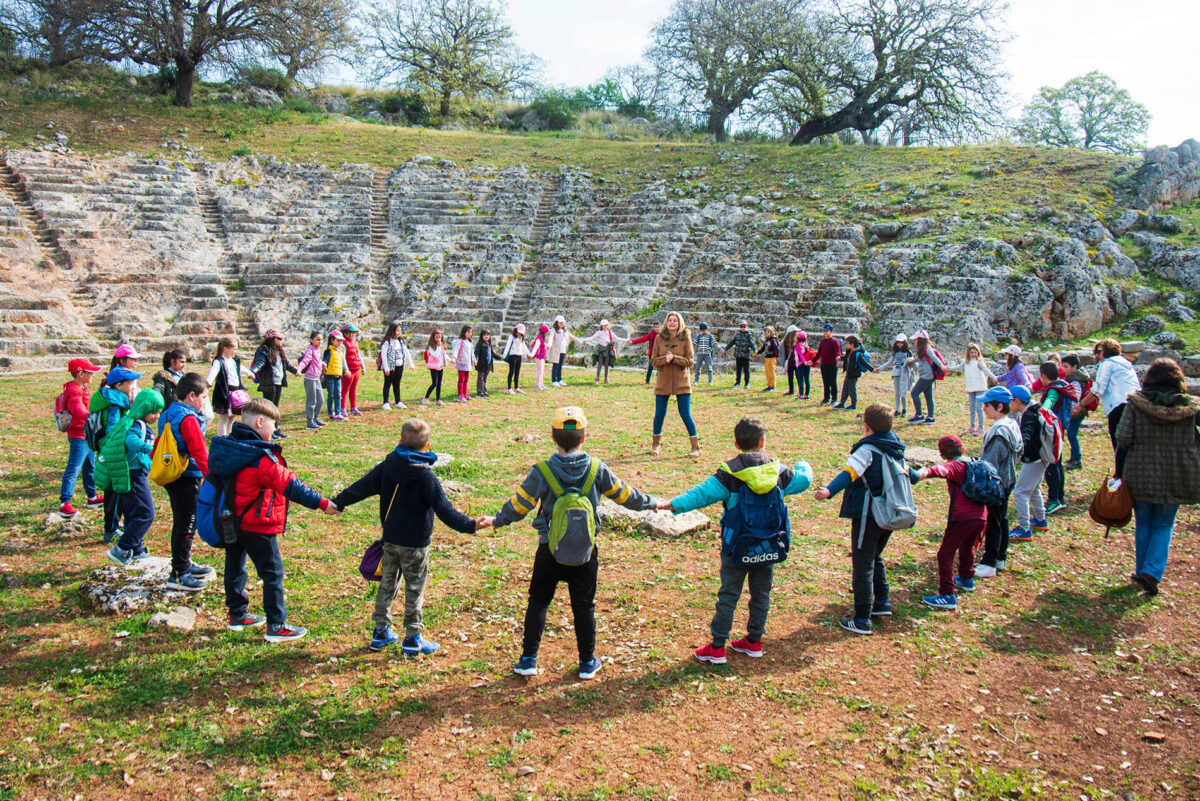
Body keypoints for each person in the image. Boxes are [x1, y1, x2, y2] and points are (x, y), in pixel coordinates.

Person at [490, 406, 661, 680]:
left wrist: (498, 520)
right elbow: (625, 495)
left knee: (539, 601)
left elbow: (520, 503)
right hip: (585, 551)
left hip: (549, 549)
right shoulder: (597, 468)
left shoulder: (542, 471)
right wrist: (652, 503)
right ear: (584, 438)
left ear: (552, 437)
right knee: (584, 606)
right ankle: (586, 662)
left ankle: (528, 659)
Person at [660, 416, 812, 663]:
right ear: (763, 442)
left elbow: (701, 495)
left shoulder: (729, 474)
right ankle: (753, 642)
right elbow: (804, 480)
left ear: (736, 444)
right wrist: (803, 463)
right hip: (769, 544)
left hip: (736, 546)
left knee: (729, 594)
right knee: (761, 593)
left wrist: (672, 504)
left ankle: (718, 646)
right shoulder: (779, 472)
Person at [333, 418, 490, 653]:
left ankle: (380, 632)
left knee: (387, 585)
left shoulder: (388, 466)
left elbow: (362, 486)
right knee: (414, 588)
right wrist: (470, 525)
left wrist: (339, 501)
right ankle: (413, 637)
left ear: (399, 441)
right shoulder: (426, 477)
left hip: (390, 540)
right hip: (415, 545)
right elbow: (444, 509)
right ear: (428, 447)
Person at [209, 398, 340, 642]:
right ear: (260, 422)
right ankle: (276, 625)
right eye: (274, 424)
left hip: (231, 520)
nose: (275, 430)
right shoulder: (260, 458)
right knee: (272, 573)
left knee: (235, 566)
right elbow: (291, 486)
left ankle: (237, 615)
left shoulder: (228, 447)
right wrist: (323, 503)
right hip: (257, 524)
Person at [814, 404, 908, 635]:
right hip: (889, 512)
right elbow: (909, 474)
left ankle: (862, 618)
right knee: (875, 556)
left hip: (869, 513)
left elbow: (850, 473)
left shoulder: (867, 450)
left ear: (866, 426)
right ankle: (882, 602)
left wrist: (828, 491)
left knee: (862, 563)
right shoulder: (895, 447)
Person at [1114, 358, 1200, 596]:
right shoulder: (1191, 407)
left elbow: (1123, 438)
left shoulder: (1135, 403)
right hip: (1179, 471)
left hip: (1141, 471)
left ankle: (1142, 570)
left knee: (1144, 522)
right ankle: (1152, 572)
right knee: (1164, 523)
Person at [914, 435, 988, 611]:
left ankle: (947, 594)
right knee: (967, 547)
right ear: (963, 450)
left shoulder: (952, 466)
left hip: (962, 517)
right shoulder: (974, 463)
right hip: (982, 515)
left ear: (941, 455)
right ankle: (966, 578)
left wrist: (916, 474)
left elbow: (935, 471)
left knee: (945, 554)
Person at [158, 372, 214, 592]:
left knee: (182, 520)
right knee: (187, 523)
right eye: (204, 397)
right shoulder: (189, 419)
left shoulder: (169, 411)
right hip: (186, 476)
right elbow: (200, 452)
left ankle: (184, 562)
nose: (204, 402)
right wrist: (212, 478)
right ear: (192, 396)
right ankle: (179, 573)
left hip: (172, 473)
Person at [100, 388, 165, 565]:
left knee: (132, 514)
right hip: (133, 475)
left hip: (132, 474)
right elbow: (130, 441)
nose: (156, 416)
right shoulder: (137, 425)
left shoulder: (138, 424)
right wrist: (148, 448)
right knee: (146, 513)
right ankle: (122, 548)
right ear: (143, 409)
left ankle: (136, 550)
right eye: (153, 412)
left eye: (159, 412)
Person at [974, 387, 1022, 578]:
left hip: (996, 484)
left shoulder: (998, 433)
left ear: (999, 406)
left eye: (987, 405)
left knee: (993, 522)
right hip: (1008, 479)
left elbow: (990, 464)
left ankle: (989, 562)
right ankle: (1001, 556)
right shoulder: (1011, 424)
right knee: (1002, 519)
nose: (984, 408)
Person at [89, 365, 140, 542]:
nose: (134, 385)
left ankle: (114, 526)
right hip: (114, 453)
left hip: (110, 451)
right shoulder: (115, 404)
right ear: (119, 385)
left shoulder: (114, 398)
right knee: (115, 492)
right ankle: (111, 528)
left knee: (115, 491)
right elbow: (113, 429)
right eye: (131, 382)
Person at [57, 358, 104, 518]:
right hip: (79, 435)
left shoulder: (82, 388)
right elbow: (78, 410)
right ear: (80, 373)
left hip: (86, 434)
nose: (93, 375)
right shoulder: (74, 390)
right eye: (90, 372)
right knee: (74, 468)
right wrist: (93, 416)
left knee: (88, 467)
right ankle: (65, 502)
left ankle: (92, 497)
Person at [649, 311, 699, 458]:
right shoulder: (659, 338)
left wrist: (675, 358)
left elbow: (690, 361)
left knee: (685, 413)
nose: (672, 322)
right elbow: (653, 360)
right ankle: (655, 444)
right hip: (663, 381)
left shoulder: (686, 338)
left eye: (675, 321)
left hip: (681, 381)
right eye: (669, 320)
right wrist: (665, 359)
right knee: (659, 414)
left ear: (679, 323)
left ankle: (695, 446)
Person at [1075, 339, 1140, 450]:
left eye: (1098, 352)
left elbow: (1098, 389)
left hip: (1118, 405)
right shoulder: (1126, 363)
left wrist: (1081, 404)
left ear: (1104, 352)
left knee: (1120, 445)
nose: (1096, 355)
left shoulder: (1107, 364)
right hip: (1136, 404)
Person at [1008, 386, 1049, 543]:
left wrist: (1017, 450)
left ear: (1017, 401)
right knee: (1034, 489)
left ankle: (1024, 528)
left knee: (1020, 492)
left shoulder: (1028, 415)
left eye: (1010, 401)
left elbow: (1026, 436)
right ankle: (1040, 519)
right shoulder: (1036, 408)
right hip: (1043, 456)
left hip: (1034, 458)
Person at [1038, 361, 1077, 516]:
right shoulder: (1062, 384)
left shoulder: (1053, 390)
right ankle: (1059, 498)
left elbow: (1046, 407)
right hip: (1060, 428)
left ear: (1043, 375)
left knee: (1051, 466)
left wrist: (1038, 411)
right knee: (1057, 463)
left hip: (1051, 430)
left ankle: (1054, 499)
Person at [250, 330, 298, 440]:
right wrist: (253, 371)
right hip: (269, 382)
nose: (281, 341)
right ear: (272, 339)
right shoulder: (265, 350)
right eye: (279, 339)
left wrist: (296, 371)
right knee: (268, 409)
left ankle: (275, 429)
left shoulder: (279, 351)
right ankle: (268, 430)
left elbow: (287, 363)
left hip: (278, 383)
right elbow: (260, 362)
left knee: (275, 408)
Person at [207, 337, 254, 437]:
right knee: (224, 418)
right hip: (224, 393)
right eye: (234, 349)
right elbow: (212, 373)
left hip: (235, 392)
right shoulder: (219, 361)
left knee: (232, 417)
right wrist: (207, 385)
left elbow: (240, 368)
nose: (236, 352)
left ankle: (229, 437)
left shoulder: (234, 360)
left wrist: (249, 373)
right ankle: (221, 438)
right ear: (225, 349)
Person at [1061, 354, 1093, 470]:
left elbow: (1076, 397)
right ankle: (1073, 457)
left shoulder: (1075, 380)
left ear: (1074, 367)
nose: (1063, 369)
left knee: (1072, 434)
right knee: (1071, 433)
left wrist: (1072, 410)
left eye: (1066, 367)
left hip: (1077, 411)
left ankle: (1077, 460)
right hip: (1077, 411)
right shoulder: (1076, 378)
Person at [907, 330, 944, 424]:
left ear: (920, 340)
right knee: (928, 396)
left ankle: (919, 415)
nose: (914, 341)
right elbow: (920, 358)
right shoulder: (923, 350)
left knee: (914, 393)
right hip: (928, 375)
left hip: (927, 376)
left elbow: (934, 359)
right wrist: (912, 361)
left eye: (915, 339)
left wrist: (942, 366)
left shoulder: (927, 349)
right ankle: (930, 417)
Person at [833, 335, 875, 410]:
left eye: (847, 343)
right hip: (848, 374)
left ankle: (853, 405)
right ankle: (842, 403)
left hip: (853, 375)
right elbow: (847, 358)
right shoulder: (850, 352)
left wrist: (872, 369)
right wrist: (841, 358)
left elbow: (864, 363)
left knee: (852, 390)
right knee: (845, 388)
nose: (846, 345)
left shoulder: (857, 353)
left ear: (852, 344)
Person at [963, 343, 996, 436]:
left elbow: (986, 370)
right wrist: (947, 368)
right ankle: (972, 426)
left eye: (975, 352)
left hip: (980, 387)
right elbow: (958, 367)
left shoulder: (979, 362)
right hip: (971, 387)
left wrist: (994, 377)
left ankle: (981, 428)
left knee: (979, 407)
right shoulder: (966, 362)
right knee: (972, 407)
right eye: (971, 352)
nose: (973, 354)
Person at [580, 320, 627, 385]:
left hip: (607, 350)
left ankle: (606, 378)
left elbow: (618, 338)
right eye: (604, 325)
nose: (605, 327)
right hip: (601, 350)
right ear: (601, 326)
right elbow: (592, 337)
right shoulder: (599, 333)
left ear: (608, 325)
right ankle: (597, 378)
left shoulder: (610, 333)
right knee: (600, 364)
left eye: (606, 325)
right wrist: (585, 340)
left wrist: (626, 340)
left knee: (606, 365)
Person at [296, 331, 327, 429]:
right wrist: (299, 369)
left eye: (321, 340)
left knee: (320, 399)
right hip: (310, 379)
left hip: (317, 378)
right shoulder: (310, 350)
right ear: (311, 340)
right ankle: (310, 421)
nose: (320, 342)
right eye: (317, 339)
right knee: (312, 401)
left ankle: (316, 417)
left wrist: (323, 364)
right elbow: (305, 360)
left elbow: (317, 361)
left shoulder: (317, 350)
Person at [380, 322, 414, 410]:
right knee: (387, 384)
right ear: (393, 331)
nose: (399, 333)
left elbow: (406, 352)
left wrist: (411, 364)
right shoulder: (387, 342)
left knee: (397, 384)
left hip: (400, 366)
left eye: (400, 331)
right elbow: (383, 355)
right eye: (398, 331)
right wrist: (386, 368)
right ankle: (386, 402)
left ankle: (398, 401)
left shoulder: (400, 341)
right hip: (390, 367)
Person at [322, 330, 349, 421]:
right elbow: (325, 360)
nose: (340, 342)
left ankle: (338, 412)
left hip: (338, 376)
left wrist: (345, 370)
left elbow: (342, 362)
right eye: (338, 340)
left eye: (341, 341)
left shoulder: (340, 352)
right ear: (332, 340)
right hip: (330, 376)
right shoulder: (329, 351)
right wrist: (324, 365)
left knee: (338, 394)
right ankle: (331, 412)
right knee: (331, 394)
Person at [340, 324, 366, 416]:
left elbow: (358, 355)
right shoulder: (343, 344)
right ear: (345, 333)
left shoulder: (355, 343)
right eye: (349, 333)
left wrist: (363, 366)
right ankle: (342, 408)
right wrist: (345, 369)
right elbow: (342, 357)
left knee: (353, 389)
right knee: (344, 389)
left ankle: (353, 407)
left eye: (353, 333)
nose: (351, 335)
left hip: (356, 369)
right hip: (349, 370)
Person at [723, 319, 756, 388]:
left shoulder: (748, 335)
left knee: (746, 370)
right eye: (741, 326)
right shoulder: (737, 334)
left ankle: (747, 383)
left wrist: (755, 350)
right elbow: (732, 342)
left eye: (744, 326)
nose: (743, 328)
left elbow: (751, 344)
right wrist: (726, 349)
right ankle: (737, 382)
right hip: (738, 355)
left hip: (745, 355)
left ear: (747, 327)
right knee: (738, 370)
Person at [547, 316, 578, 387]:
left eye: (562, 323)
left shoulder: (565, 331)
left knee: (560, 365)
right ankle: (554, 380)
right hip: (556, 351)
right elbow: (551, 338)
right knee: (555, 365)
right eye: (560, 323)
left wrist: (581, 342)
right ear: (556, 323)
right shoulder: (554, 330)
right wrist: (549, 344)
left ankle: (559, 379)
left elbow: (572, 337)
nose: (561, 324)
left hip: (563, 351)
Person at [815, 323, 842, 404]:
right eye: (824, 331)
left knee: (832, 382)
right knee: (825, 382)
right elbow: (818, 353)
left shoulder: (835, 341)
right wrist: (812, 361)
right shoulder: (822, 342)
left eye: (827, 331)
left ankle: (834, 399)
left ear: (831, 332)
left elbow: (838, 351)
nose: (825, 333)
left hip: (832, 365)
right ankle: (826, 398)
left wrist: (838, 356)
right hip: (824, 365)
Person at [887, 334, 913, 416]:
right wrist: (879, 369)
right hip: (896, 374)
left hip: (904, 374)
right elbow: (889, 362)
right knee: (897, 393)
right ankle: (897, 410)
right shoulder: (895, 352)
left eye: (902, 342)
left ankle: (904, 409)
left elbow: (913, 364)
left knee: (903, 393)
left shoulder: (908, 353)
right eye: (898, 342)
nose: (900, 344)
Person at [500, 323, 529, 393]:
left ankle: (516, 387)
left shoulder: (521, 338)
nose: (519, 334)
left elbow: (524, 347)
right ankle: (509, 388)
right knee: (511, 372)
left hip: (519, 356)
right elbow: (507, 346)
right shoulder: (511, 337)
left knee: (517, 372)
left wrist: (528, 354)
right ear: (516, 331)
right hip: (512, 356)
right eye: (519, 332)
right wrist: (504, 354)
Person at [422, 329, 447, 406]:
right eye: (436, 337)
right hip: (434, 367)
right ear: (433, 338)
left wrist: (450, 360)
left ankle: (438, 399)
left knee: (439, 384)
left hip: (440, 366)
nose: (438, 339)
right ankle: (426, 397)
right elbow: (435, 355)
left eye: (440, 337)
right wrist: (439, 347)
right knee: (434, 383)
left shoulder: (442, 345)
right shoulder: (431, 346)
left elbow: (444, 355)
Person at [452, 324, 477, 402]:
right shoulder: (460, 341)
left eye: (471, 332)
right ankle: (460, 395)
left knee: (466, 380)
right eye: (468, 332)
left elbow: (472, 353)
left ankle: (465, 393)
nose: (470, 334)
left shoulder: (470, 342)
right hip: (462, 363)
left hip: (468, 364)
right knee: (461, 380)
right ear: (464, 332)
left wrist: (474, 360)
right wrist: (454, 358)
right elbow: (456, 350)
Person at [756, 326, 781, 392]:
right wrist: (758, 353)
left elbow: (776, 348)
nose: (766, 333)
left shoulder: (773, 340)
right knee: (767, 372)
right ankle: (769, 385)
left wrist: (776, 355)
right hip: (767, 357)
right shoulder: (767, 340)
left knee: (771, 372)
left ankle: (773, 386)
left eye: (768, 332)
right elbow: (763, 348)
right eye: (766, 332)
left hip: (771, 358)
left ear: (772, 332)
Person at [474, 329, 498, 397]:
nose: (486, 336)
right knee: (480, 378)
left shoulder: (489, 345)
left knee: (485, 379)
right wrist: (475, 360)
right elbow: (476, 353)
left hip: (488, 365)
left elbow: (493, 354)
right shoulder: (479, 344)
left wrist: (500, 357)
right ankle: (479, 392)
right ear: (481, 336)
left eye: (488, 335)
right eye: (484, 335)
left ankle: (484, 390)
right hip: (481, 364)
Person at [795, 330, 816, 401]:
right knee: (807, 379)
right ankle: (807, 395)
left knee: (800, 379)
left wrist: (804, 362)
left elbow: (800, 355)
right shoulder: (806, 345)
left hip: (801, 364)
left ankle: (801, 395)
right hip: (807, 364)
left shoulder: (798, 346)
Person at [530, 323, 550, 391]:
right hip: (539, 357)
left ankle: (541, 384)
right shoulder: (539, 339)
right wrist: (532, 354)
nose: (548, 333)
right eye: (547, 332)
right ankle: (537, 385)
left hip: (542, 357)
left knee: (542, 371)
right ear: (544, 332)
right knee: (539, 371)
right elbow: (536, 347)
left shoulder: (543, 338)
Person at [781, 326, 800, 396]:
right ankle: (800, 391)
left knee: (790, 377)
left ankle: (791, 390)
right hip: (796, 361)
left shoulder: (785, 341)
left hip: (789, 362)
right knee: (798, 377)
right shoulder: (797, 340)